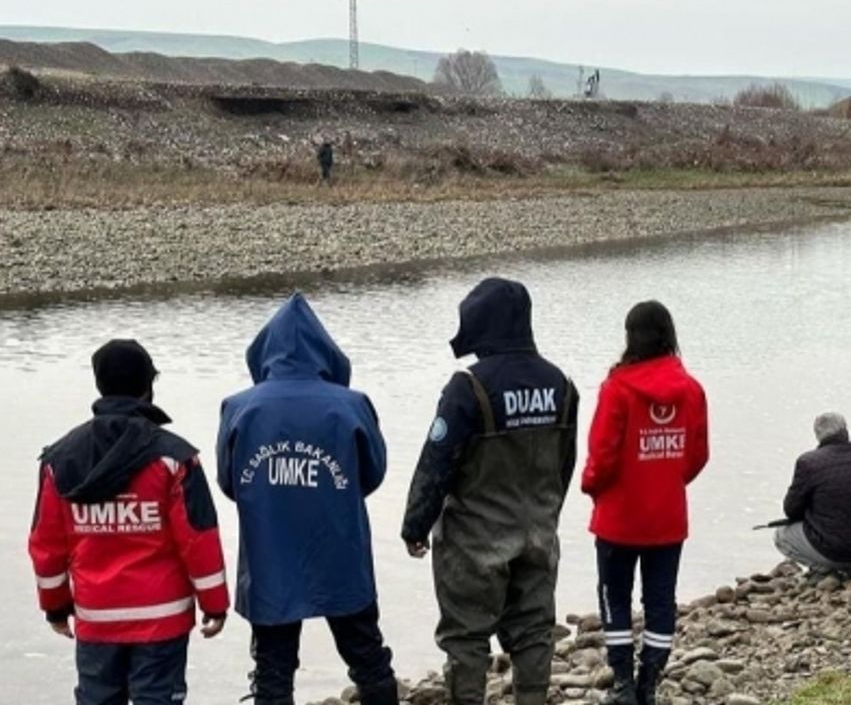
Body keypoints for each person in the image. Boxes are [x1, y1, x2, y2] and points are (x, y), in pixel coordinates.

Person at [402, 278, 578, 705]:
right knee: (534, 632)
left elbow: (436, 461)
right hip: (538, 535)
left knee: (466, 637)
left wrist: (415, 525)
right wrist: (548, 516)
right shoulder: (562, 386)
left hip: (473, 543)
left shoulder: (469, 387)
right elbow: (565, 464)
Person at [217, 294, 397, 705]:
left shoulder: (239, 408)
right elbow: (373, 474)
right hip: (341, 553)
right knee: (368, 658)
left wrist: (272, 494)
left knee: (272, 668)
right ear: (327, 352)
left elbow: (230, 483)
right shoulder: (352, 405)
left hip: (270, 558)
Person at [29, 339, 229, 704]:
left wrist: (55, 607)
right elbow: (199, 539)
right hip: (162, 618)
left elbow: (46, 547)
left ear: (99, 385)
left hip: (96, 617)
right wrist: (214, 605)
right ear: (147, 388)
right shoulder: (175, 458)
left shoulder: (59, 460)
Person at [582, 301, 708, 705]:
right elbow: (697, 454)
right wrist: (669, 480)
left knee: (614, 596)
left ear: (630, 337)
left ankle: (622, 685)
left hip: (618, 517)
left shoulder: (616, 388)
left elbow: (601, 455)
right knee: (659, 601)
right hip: (667, 517)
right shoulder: (691, 389)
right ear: (669, 335)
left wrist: (590, 486)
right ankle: (647, 684)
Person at [774, 412, 851, 580]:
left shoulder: (808, 462)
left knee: (781, 535)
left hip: (836, 551)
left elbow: (791, 510)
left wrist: (809, 512)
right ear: (845, 431)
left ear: (818, 435)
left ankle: (824, 570)